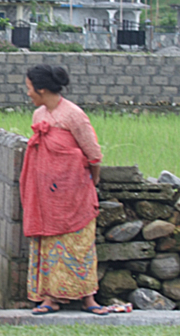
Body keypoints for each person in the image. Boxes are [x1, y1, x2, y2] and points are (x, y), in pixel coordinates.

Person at [19, 64, 108, 316]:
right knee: (49, 244)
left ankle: (88, 297)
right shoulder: (39, 115)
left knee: (79, 245)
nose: (28, 94)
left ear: (42, 88)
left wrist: (91, 181)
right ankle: (49, 297)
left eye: (29, 89)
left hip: (74, 194)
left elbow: (93, 154)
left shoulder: (74, 115)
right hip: (46, 198)